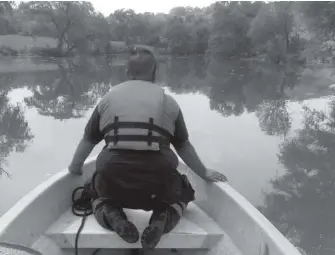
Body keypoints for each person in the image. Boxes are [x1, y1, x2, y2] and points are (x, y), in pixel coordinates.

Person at [68, 47, 227, 249]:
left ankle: (113, 216)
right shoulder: (169, 103)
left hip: (115, 180)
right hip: (157, 185)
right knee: (184, 192)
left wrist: (75, 167)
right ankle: (162, 218)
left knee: (95, 191)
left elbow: (88, 140)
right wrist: (204, 172)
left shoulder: (107, 100)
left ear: (126, 72)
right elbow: (183, 146)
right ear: (154, 72)